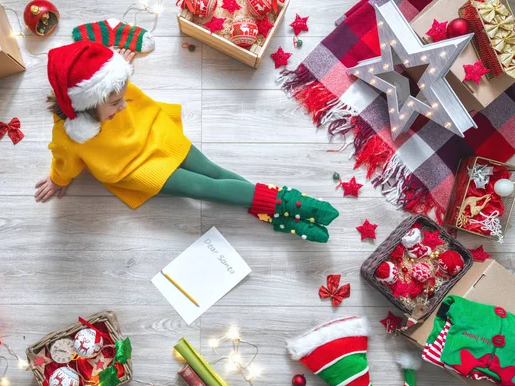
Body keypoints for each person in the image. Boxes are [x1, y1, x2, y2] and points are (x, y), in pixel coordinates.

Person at [35, 41, 339, 242]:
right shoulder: (69, 135)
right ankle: (291, 204)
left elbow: (87, 66)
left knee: (213, 171)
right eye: (115, 103)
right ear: (86, 105)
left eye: (121, 96)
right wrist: (58, 179)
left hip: (156, 132)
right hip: (133, 167)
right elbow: (63, 162)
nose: (123, 105)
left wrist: (115, 65)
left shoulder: (109, 90)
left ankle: (283, 215)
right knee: (202, 189)